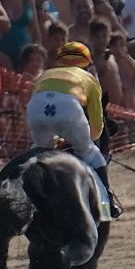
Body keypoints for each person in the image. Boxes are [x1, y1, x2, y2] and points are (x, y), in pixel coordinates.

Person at [27, 42, 122, 217]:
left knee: (39, 153)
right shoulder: (89, 78)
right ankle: (107, 203)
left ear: (59, 61)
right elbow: (97, 123)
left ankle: (26, 198)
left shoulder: (45, 75)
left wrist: (57, 140)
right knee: (92, 153)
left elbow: (37, 105)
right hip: (68, 109)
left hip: (36, 108)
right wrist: (83, 141)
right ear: (87, 62)